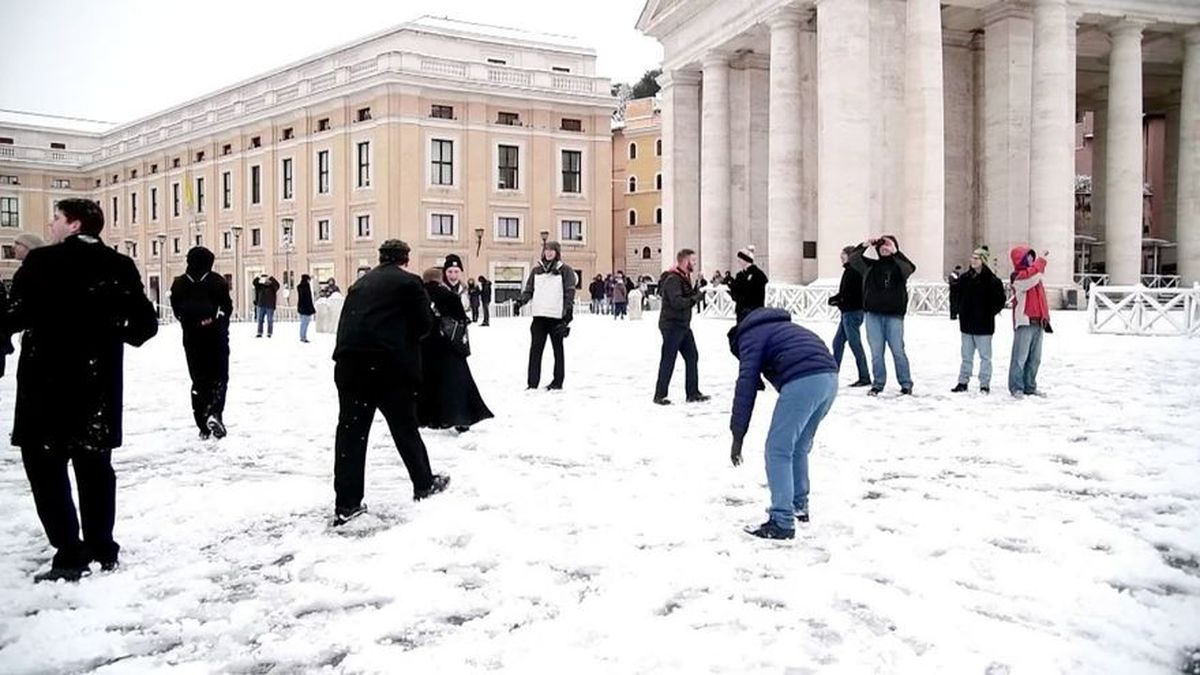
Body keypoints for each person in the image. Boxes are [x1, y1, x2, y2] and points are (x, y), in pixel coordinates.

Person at [6, 198, 158, 581]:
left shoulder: (40, 264)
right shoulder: (119, 266)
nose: (51, 224)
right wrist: (107, 334)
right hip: (96, 387)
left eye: (56, 218)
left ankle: (69, 552)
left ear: (74, 225)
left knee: (46, 471)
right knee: (95, 469)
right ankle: (102, 548)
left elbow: (14, 316)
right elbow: (144, 327)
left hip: (46, 389)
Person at [331, 239, 449, 526]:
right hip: (388, 367)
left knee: (351, 434)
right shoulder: (409, 283)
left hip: (349, 364)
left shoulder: (360, 284)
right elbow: (424, 325)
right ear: (405, 260)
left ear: (381, 258)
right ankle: (423, 483)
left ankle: (347, 504)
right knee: (405, 428)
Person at [728, 307, 838, 540]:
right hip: (829, 378)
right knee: (798, 446)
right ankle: (799, 506)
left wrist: (738, 436)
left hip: (804, 380)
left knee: (777, 449)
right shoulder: (779, 328)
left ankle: (782, 521)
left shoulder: (749, 338)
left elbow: (745, 386)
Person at [419, 258, 494, 432]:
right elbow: (461, 318)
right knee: (456, 382)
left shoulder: (418, 296)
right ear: (440, 278)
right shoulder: (449, 295)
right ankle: (460, 417)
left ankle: (430, 418)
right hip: (449, 345)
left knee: (429, 382)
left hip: (426, 346)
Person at [170, 246, 232, 440]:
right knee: (219, 377)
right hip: (216, 338)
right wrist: (216, 321)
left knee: (198, 380)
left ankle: (202, 422)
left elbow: (177, 310)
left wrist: (191, 324)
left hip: (192, 339)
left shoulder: (179, 283)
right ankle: (215, 412)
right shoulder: (216, 281)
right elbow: (227, 306)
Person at [849, 235, 916, 396]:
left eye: (888, 246)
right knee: (876, 352)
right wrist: (865, 244)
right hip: (873, 315)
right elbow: (853, 259)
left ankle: (906, 383)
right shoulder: (870, 267)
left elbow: (910, 268)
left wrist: (895, 252)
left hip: (894, 316)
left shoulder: (899, 267)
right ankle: (878, 383)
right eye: (882, 246)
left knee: (898, 350)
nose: (884, 248)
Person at [514, 241, 576, 391]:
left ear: (557, 252)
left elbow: (569, 292)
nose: (548, 253)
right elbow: (529, 290)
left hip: (556, 317)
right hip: (539, 316)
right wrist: (520, 302)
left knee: (558, 351)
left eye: (552, 250)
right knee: (535, 350)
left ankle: (558, 381)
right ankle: (532, 383)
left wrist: (567, 313)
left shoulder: (565, 270)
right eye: (546, 250)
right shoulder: (536, 271)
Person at [654, 248, 710, 405]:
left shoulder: (684, 277)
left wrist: (697, 292)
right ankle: (659, 395)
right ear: (685, 261)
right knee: (668, 359)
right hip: (672, 324)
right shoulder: (673, 279)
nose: (694, 263)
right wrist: (695, 299)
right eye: (692, 260)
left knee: (692, 356)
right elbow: (677, 302)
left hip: (683, 325)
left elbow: (686, 296)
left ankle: (692, 393)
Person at [951, 247, 1007, 394]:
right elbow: (957, 295)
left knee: (985, 357)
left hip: (984, 325)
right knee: (966, 356)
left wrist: (988, 313)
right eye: (972, 257)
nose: (973, 260)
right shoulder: (965, 278)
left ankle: (984, 383)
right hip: (967, 324)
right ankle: (963, 381)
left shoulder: (992, 281)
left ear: (983, 261)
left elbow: (1000, 300)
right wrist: (958, 311)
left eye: (976, 258)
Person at [1008, 246, 1051, 398]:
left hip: (1038, 322)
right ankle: (1016, 387)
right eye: (1028, 257)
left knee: (1035, 358)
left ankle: (1030, 386)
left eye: (1032, 257)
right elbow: (1030, 279)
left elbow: (1041, 298)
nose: (1031, 260)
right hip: (1025, 322)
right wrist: (1041, 261)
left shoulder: (1035, 276)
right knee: (1020, 358)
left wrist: (1045, 317)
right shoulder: (1018, 277)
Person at [828, 245, 872, 387]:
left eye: (843, 254)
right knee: (838, 342)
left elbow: (850, 294)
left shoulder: (853, 272)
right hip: (848, 312)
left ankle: (864, 377)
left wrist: (838, 300)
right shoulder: (850, 271)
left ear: (849, 256)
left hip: (852, 312)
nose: (841, 257)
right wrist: (837, 299)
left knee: (855, 345)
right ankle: (833, 373)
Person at [729, 245, 768, 322]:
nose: (738, 261)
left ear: (745, 260)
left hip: (751, 312)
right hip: (745, 311)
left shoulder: (757, 274)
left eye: (740, 258)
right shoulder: (741, 275)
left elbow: (747, 293)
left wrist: (734, 288)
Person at [296, 274, 316, 343]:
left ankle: (302, 336)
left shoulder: (300, 287)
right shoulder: (306, 287)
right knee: (305, 323)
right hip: (306, 308)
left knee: (303, 323)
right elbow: (308, 299)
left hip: (301, 307)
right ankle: (303, 337)